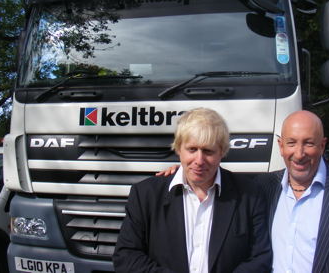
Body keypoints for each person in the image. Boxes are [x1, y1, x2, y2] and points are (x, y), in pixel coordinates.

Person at [158, 110, 329, 272]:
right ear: (280, 146)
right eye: (291, 143)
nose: (299, 154)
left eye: (309, 143)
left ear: (322, 146)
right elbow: (210, 172)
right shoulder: (261, 188)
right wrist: (183, 172)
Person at [112, 108, 272, 273]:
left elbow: (260, 258)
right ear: (179, 149)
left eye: (208, 151)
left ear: (222, 152)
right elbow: (126, 257)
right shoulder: (146, 195)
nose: (199, 160)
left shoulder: (249, 195)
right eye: (192, 149)